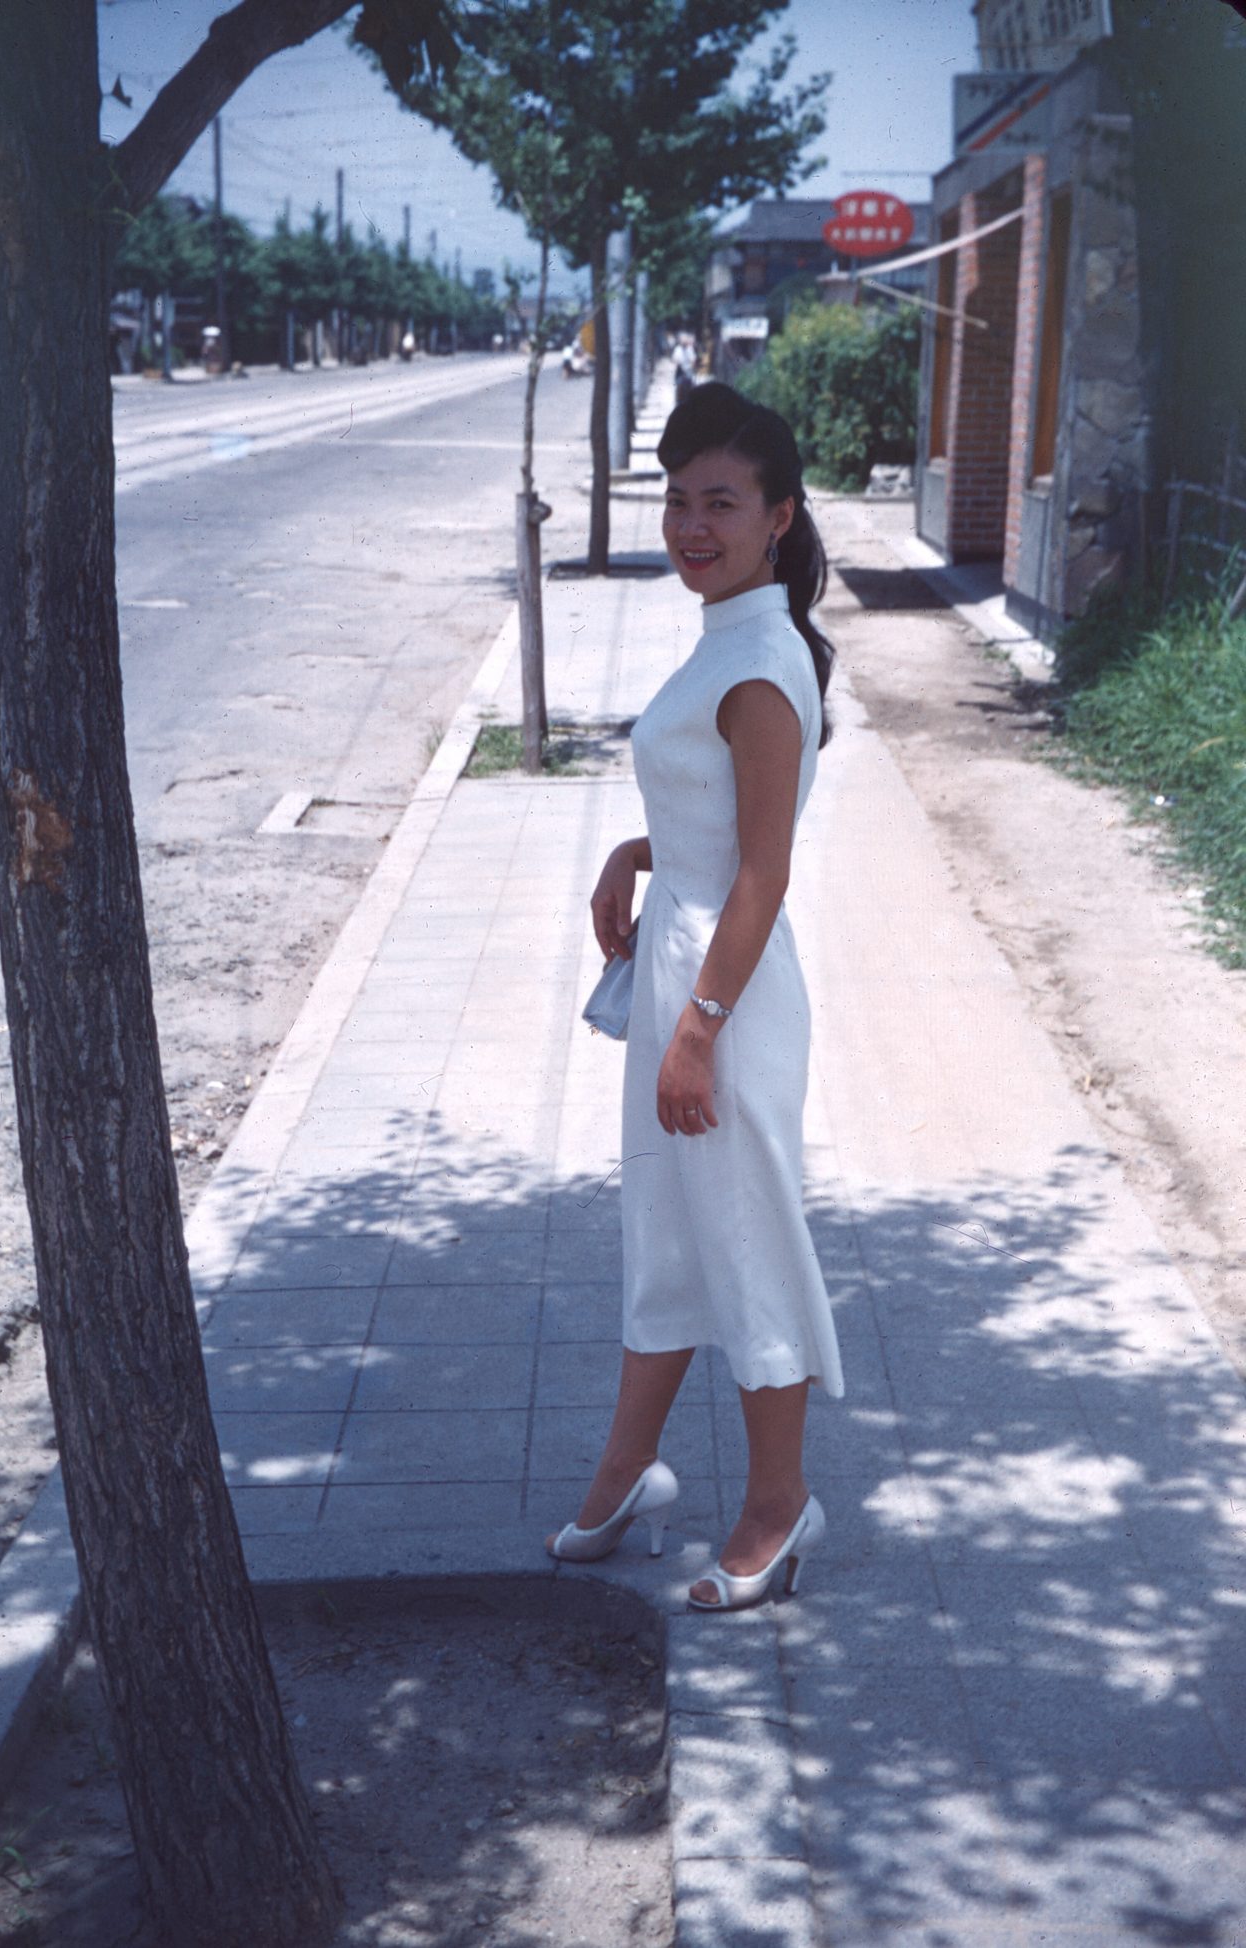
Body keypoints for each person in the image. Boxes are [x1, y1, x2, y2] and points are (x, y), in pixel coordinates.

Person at [547, 382, 845, 1611]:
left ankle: (778, 1507)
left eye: (718, 502)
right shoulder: (725, 633)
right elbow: (718, 825)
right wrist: (639, 850)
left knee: (744, 1239)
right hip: (684, 964)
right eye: (676, 500)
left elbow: (766, 873)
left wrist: (696, 1031)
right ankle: (626, 1475)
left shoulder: (763, 662)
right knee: (665, 1237)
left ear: (776, 516)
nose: (689, 525)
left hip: (724, 995)